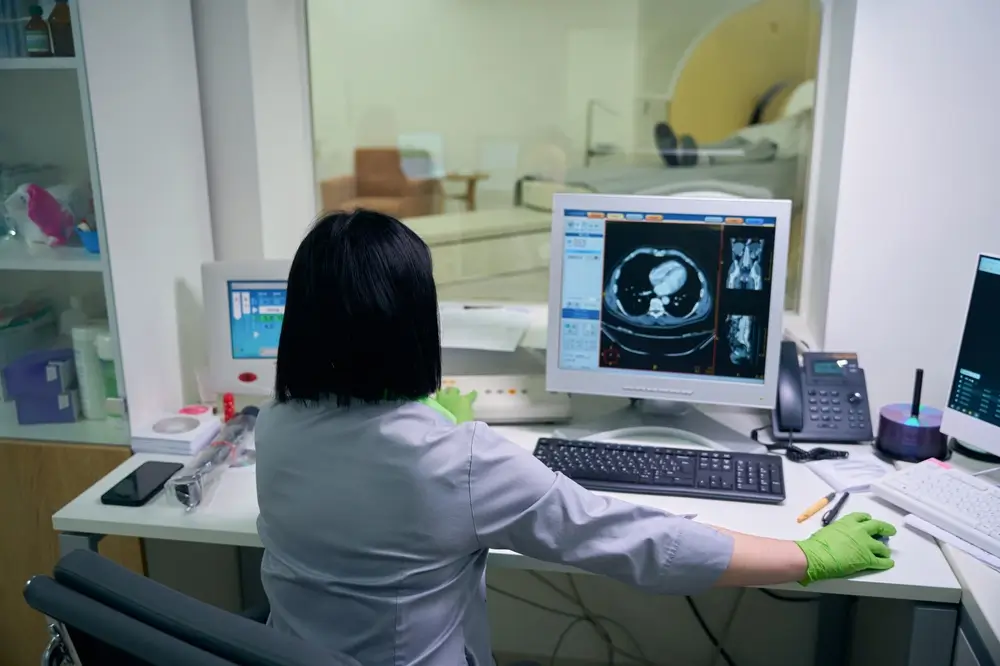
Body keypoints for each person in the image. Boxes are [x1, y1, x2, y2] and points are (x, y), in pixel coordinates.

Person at [255, 209, 896, 666]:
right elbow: (636, 540)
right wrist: (804, 556)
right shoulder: (460, 462)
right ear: (416, 324)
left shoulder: (275, 428)